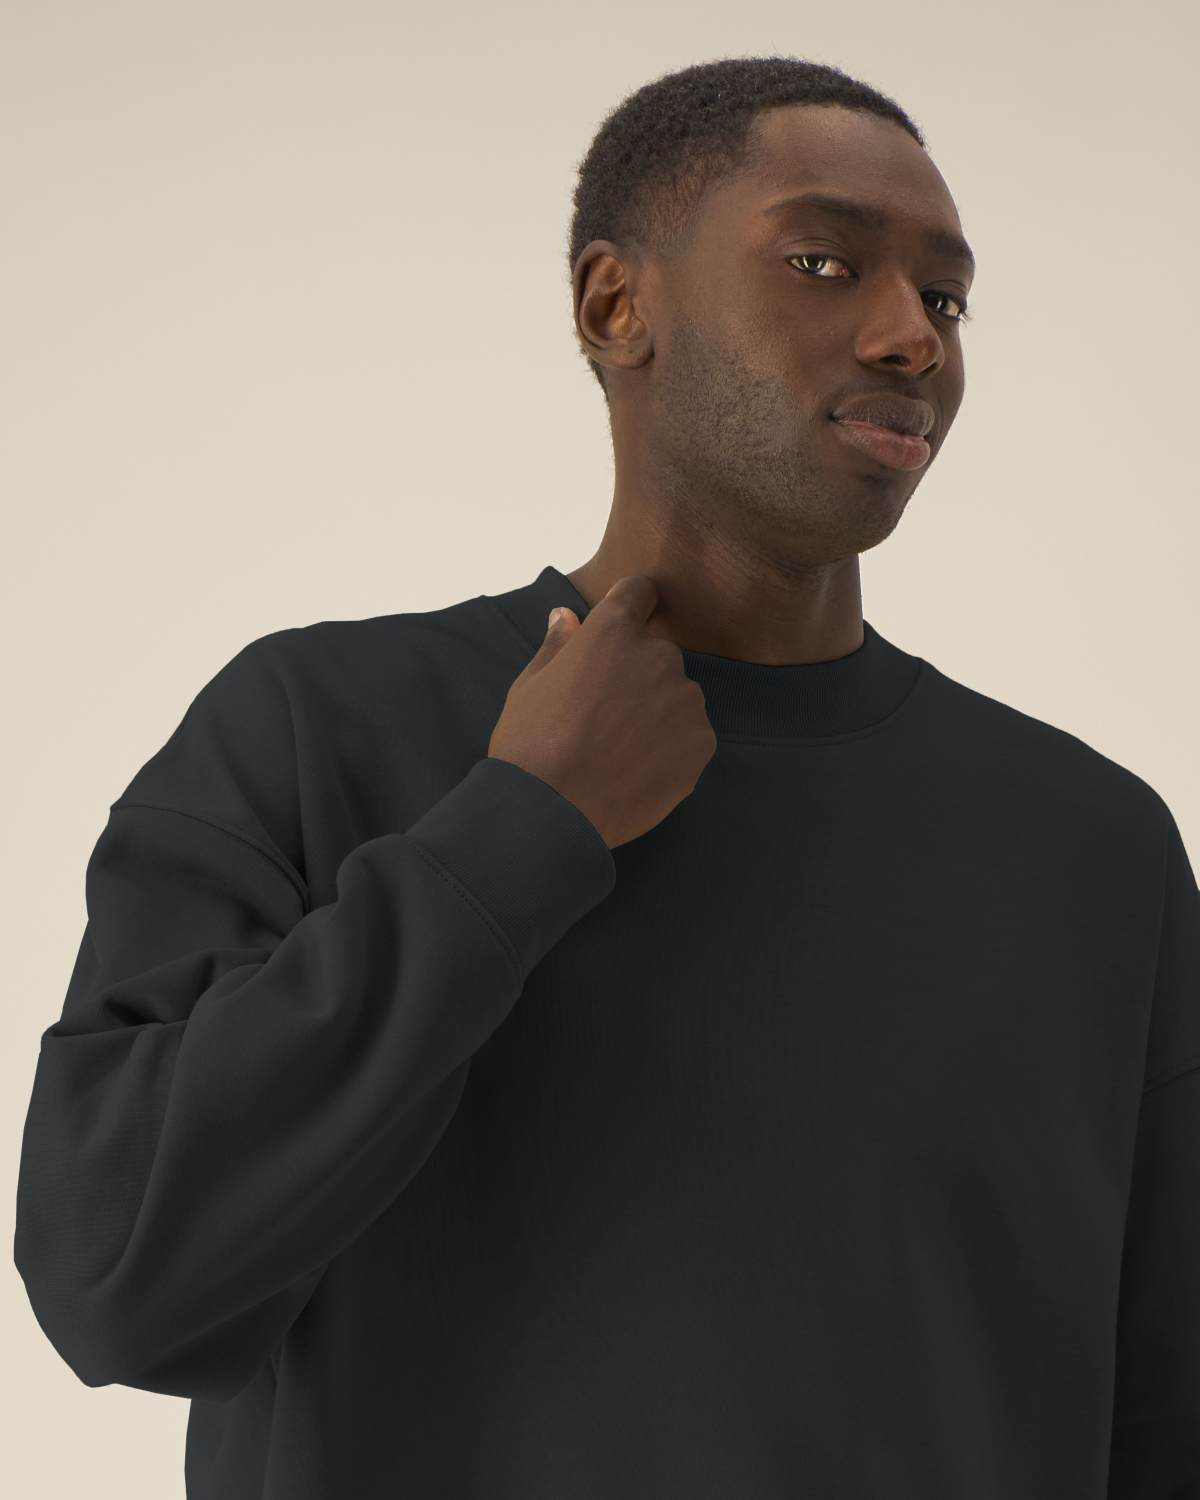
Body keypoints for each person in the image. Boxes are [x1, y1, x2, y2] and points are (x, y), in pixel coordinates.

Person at [14, 55, 1199, 1500]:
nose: (911, 338)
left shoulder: (1092, 850)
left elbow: (1160, 1418)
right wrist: (518, 834)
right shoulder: (318, 732)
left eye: (946, 299)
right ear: (615, 306)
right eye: (824, 263)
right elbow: (122, 1283)